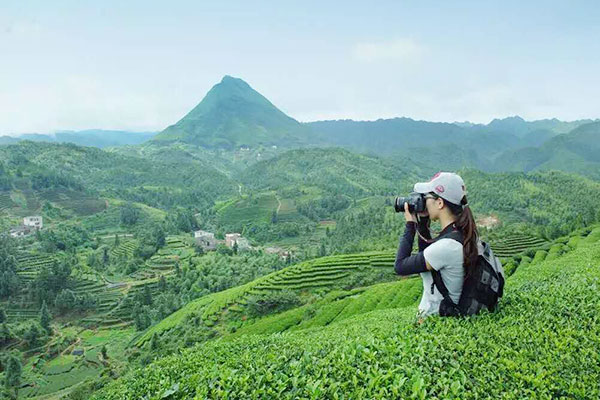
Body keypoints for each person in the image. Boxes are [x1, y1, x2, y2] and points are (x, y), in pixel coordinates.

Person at [394, 172, 479, 318]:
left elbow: (400, 266)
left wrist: (410, 225)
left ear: (440, 203)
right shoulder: (459, 234)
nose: (424, 202)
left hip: (436, 317)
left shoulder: (447, 246)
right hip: (447, 311)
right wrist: (422, 222)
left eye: (426, 198)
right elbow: (427, 256)